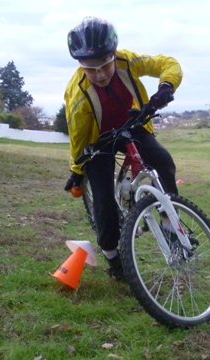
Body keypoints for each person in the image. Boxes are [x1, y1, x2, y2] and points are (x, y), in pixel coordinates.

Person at [62, 17, 182, 280]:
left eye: (105, 66)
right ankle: (113, 257)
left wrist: (166, 86)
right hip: (98, 140)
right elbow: (78, 137)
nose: (100, 75)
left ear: (113, 55)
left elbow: (167, 63)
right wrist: (77, 170)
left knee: (162, 160)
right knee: (103, 201)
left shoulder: (128, 62)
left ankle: (169, 222)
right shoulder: (77, 94)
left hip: (133, 125)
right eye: (90, 69)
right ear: (81, 66)